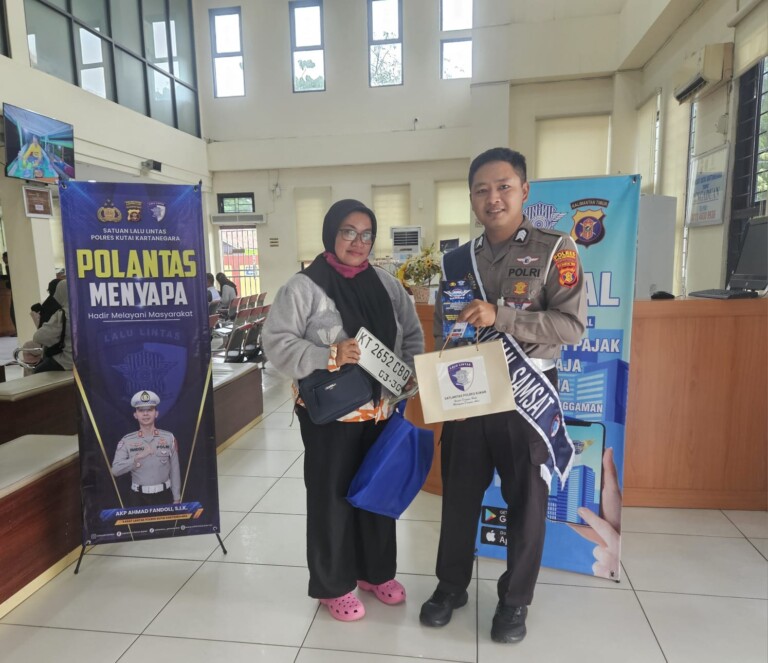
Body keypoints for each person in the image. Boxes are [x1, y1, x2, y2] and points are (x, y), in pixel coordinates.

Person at [420, 147, 587, 643]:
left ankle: (515, 601)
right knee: (459, 495)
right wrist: (445, 382)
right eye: (482, 190)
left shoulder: (557, 250)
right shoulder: (456, 259)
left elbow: (572, 326)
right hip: (468, 393)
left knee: (526, 502)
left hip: (525, 396)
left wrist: (503, 317)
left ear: (524, 191)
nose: (493, 198)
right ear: (471, 197)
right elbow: (445, 327)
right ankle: (451, 586)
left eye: (503, 187)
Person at [262, 199, 424, 622]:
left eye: (367, 234)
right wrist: (328, 354)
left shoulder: (387, 284)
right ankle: (333, 585)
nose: (358, 241)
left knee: (376, 493)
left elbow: (411, 334)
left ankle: (376, 572)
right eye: (348, 231)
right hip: (331, 416)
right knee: (332, 499)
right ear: (331, 233)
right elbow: (276, 343)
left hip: (381, 411)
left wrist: (409, 373)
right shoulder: (303, 287)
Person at [111, 390, 181, 507]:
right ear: (135, 415)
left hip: (164, 496)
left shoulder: (169, 438)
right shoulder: (127, 441)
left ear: (156, 413)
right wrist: (136, 458)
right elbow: (115, 470)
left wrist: (177, 498)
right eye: (141, 410)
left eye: (150, 409)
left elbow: (175, 470)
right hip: (138, 498)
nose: (145, 414)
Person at [30, 279, 72, 373]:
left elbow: (39, 337)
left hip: (69, 360)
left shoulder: (62, 314)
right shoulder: (92, 311)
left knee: (38, 371)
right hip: (91, 359)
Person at [2, 251, 15, 335]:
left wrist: (7, 284)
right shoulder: (9, 266)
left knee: (13, 310)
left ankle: (17, 330)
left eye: (3, 257)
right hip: (13, 290)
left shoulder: (9, 266)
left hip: (14, 290)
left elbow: (11, 280)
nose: (3, 259)